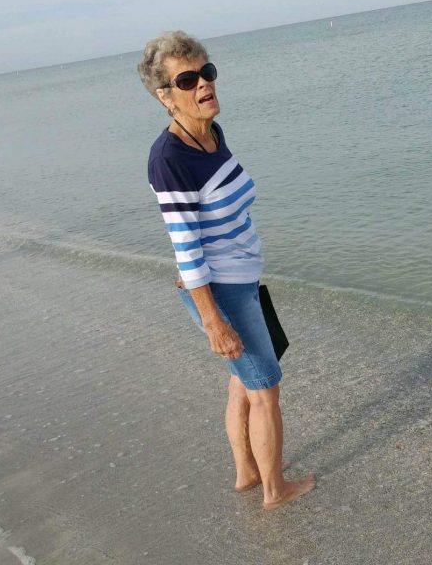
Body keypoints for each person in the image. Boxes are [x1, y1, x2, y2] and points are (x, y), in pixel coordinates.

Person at [137, 30, 314, 510]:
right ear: (165, 96)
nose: (203, 84)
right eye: (187, 79)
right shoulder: (169, 160)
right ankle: (275, 491)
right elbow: (185, 247)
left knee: (244, 380)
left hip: (242, 282)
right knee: (265, 389)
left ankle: (247, 473)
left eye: (206, 72)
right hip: (222, 291)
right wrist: (212, 320)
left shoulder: (211, 134)